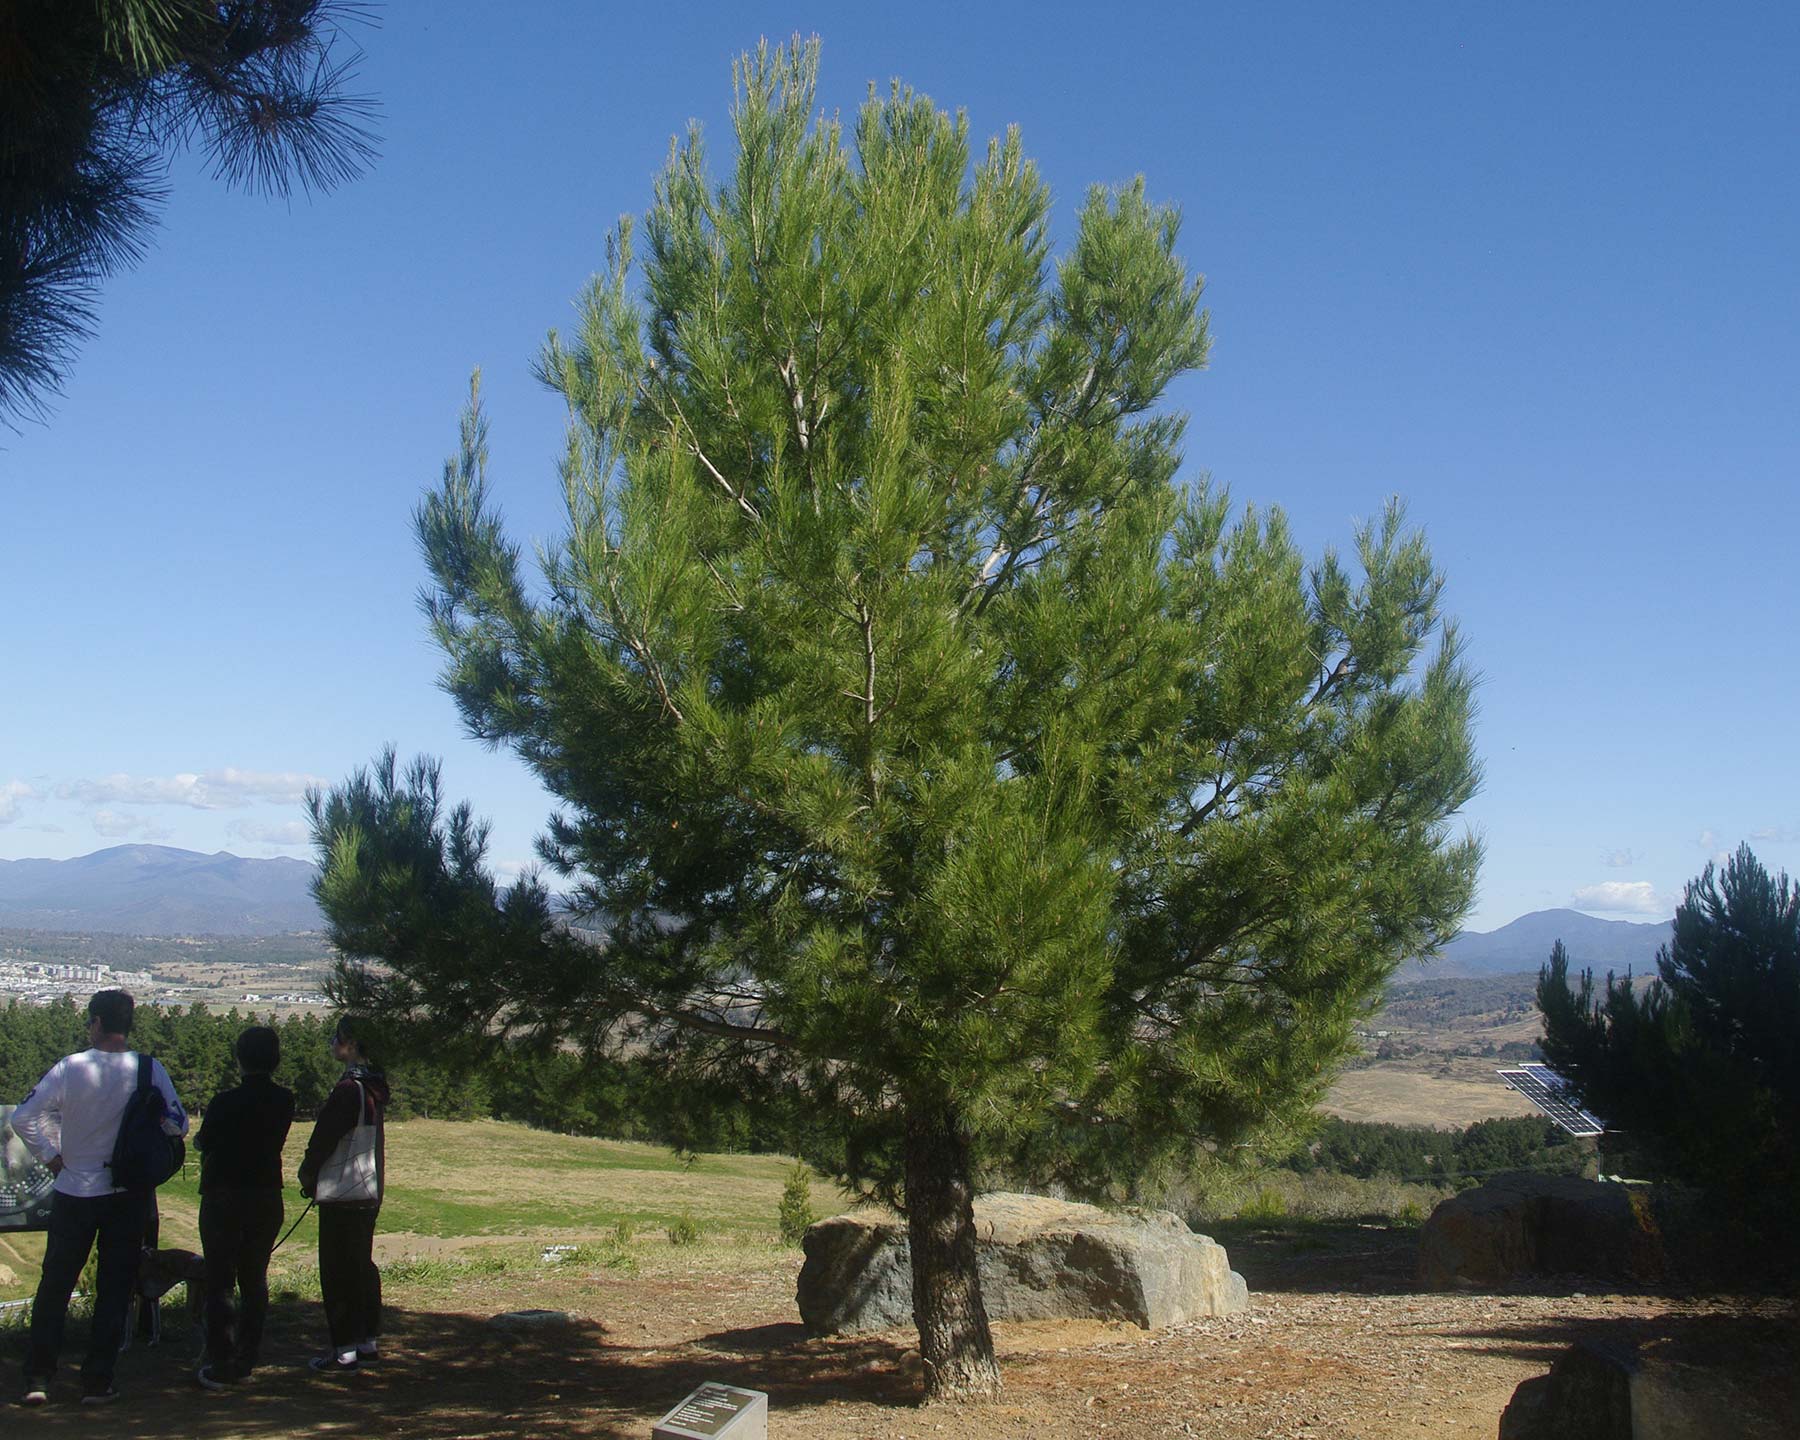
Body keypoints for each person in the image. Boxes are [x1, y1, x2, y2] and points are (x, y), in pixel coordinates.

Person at [11, 989, 188, 1407]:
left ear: (95, 1023)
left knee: (55, 1285)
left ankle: (39, 1376)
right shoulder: (149, 1069)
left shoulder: (70, 1068)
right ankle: (97, 1380)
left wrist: (53, 1158)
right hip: (127, 1194)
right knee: (114, 1288)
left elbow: (24, 1117)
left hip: (74, 1188)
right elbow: (177, 1126)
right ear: (127, 1026)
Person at [192, 1025, 293, 1391]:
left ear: (239, 1059)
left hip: (223, 1196)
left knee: (220, 1279)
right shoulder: (285, 1100)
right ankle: (248, 1355)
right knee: (255, 1277)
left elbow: (204, 1141)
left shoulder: (223, 1103)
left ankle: (221, 1358)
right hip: (266, 1195)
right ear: (275, 1059)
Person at [296, 1015, 389, 1374]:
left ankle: (344, 1348)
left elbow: (324, 1139)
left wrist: (308, 1173)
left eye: (336, 1037)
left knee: (337, 1270)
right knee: (361, 1265)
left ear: (350, 1043)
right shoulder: (374, 1087)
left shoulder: (349, 1089)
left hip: (342, 1190)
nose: (332, 1043)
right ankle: (367, 1340)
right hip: (369, 1186)